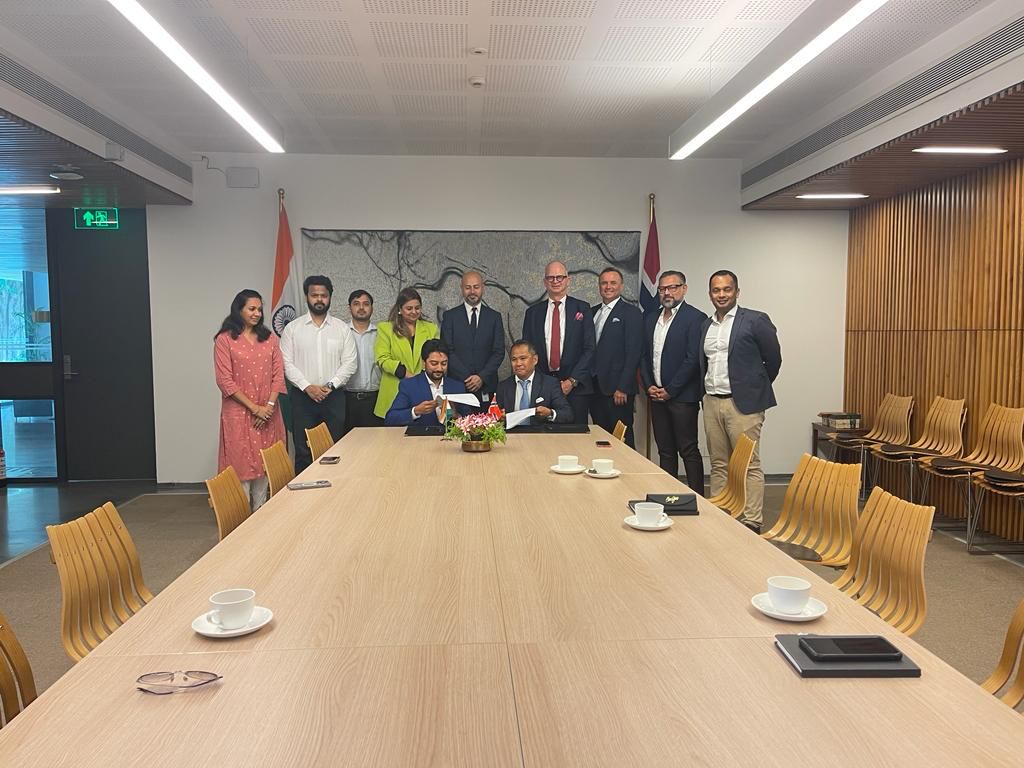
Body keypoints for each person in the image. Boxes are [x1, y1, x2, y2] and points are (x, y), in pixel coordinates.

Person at [700, 269, 782, 533]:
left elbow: (773, 360)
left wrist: (753, 388)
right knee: (719, 463)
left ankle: (752, 520)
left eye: (727, 289)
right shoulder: (706, 326)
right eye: (716, 290)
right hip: (712, 402)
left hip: (743, 405)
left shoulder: (755, 320)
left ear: (737, 291)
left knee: (748, 464)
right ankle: (721, 515)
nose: (721, 294)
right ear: (710, 294)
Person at [213, 289, 286, 510]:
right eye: (251, 309)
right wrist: (256, 409)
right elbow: (225, 381)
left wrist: (268, 407)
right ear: (239, 309)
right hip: (239, 413)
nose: (257, 313)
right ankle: (241, 521)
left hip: (268, 413)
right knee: (240, 466)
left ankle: (261, 514)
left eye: (260, 309)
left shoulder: (270, 339)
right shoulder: (225, 340)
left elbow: (278, 375)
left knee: (265, 465)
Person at [280, 275, 358, 472]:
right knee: (303, 451)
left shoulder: (342, 329)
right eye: (314, 295)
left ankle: (335, 489)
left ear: (330, 297)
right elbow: (286, 363)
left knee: (335, 449)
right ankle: (303, 491)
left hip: (334, 397)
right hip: (302, 399)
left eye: (324, 295)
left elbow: (350, 363)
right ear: (306, 297)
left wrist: (329, 386)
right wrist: (307, 387)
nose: (319, 299)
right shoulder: (292, 329)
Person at [641, 270, 708, 495]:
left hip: (682, 398)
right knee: (665, 450)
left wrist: (671, 390)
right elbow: (644, 355)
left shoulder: (695, 318)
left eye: (672, 287)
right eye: (662, 289)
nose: (667, 292)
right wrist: (648, 385)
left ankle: (697, 497)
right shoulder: (651, 318)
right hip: (656, 396)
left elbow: (692, 360)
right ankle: (667, 496)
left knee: (688, 450)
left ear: (684, 289)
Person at [522, 260, 595, 424]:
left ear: (568, 280)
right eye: (551, 278)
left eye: (560, 277)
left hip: (576, 387)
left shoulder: (582, 309)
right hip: (542, 386)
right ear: (545, 282)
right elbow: (527, 352)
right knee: (543, 435)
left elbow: (590, 349)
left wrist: (572, 381)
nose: (555, 281)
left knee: (576, 435)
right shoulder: (533, 313)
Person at [589, 267, 643, 446]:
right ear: (599, 286)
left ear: (621, 286)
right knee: (600, 438)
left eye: (613, 283)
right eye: (604, 283)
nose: (608, 286)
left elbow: (634, 352)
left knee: (622, 439)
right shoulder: (592, 312)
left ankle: (629, 465)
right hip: (595, 388)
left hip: (617, 391)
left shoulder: (631, 313)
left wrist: (623, 387)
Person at [374, 287, 440, 420]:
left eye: (417, 308)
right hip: (394, 389)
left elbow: (436, 356)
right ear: (400, 309)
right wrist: (405, 373)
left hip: (423, 391)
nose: (414, 312)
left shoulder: (431, 328)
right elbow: (382, 358)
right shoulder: (385, 328)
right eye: (409, 308)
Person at [440, 270, 505, 404]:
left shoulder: (494, 317)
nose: (472, 291)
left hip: (487, 385)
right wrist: (468, 378)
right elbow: (447, 351)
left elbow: (498, 351)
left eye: (476, 287)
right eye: (468, 287)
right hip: (458, 385)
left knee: (487, 418)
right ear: (461, 288)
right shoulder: (450, 317)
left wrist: (481, 377)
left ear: (483, 288)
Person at [384, 340, 470, 426]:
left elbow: (470, 420)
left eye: (444, 364)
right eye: (434, 363)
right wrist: (415, 411)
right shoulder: (409, 386)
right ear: (423, 363)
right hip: (420, 434)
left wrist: (456, 415)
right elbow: (391, 419)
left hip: (449, 434)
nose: (439, 368)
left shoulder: (457, 387)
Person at [496, 340, 572, 424]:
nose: (518, 363)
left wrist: (550, 414)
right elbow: (495, 417)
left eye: (523, 358)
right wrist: (500, 417)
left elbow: (567, 414)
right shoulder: (503, 386)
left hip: (539, 431)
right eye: (514, 359)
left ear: (535, 360)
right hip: (512, 431)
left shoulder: (550, 384)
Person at [344, 289, 384, 432]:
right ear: (349, 308)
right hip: (347, 400)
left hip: (376, 399)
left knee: (376, 441)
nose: (361, 308)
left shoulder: (381, 334)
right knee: (348, 442)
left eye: (366, 304)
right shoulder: (341, 332)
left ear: (372, 308)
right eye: (356, 304)